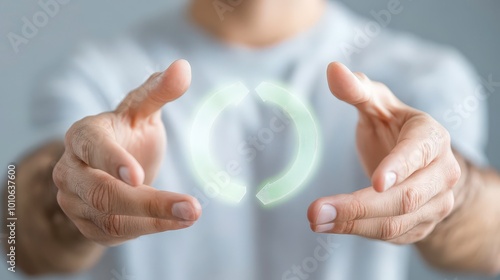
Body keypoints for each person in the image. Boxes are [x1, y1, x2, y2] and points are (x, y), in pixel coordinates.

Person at [4, 0, 500, 279]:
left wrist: (446, 195)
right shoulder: (99, 72)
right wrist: (70, 194)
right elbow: (11, 233)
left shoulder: (423, 77)